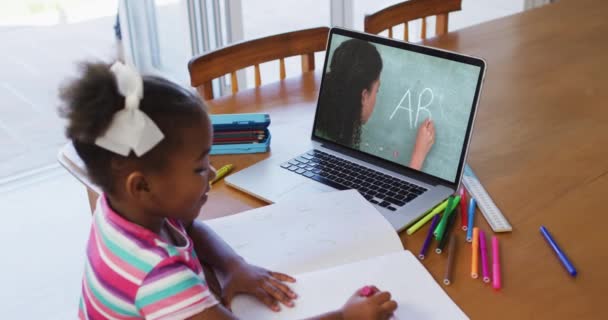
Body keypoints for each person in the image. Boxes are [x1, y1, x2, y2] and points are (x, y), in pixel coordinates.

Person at [60, 61, 398, 320]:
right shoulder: (159, 279)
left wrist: (233, 266)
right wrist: (344, 316)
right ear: (142, 185)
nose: (210, 172)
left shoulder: (124, 208)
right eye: (198, 167)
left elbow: (188, 228)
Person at [316, 39, 435, 170]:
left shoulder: (324, 133)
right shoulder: (338, 156)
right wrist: (418, 156)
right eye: (376, 90)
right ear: (364, 96)